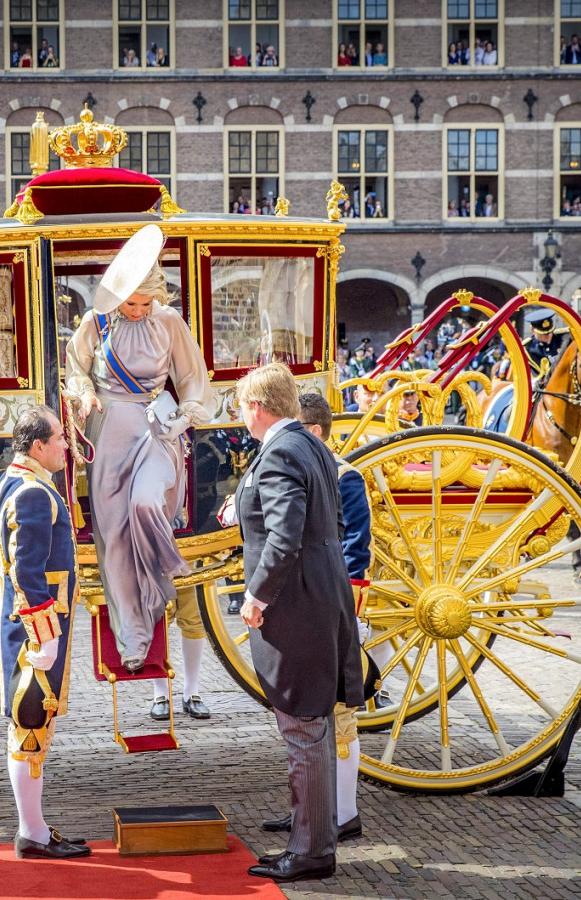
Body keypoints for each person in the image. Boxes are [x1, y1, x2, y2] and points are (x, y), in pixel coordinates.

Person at [226, 363, 362, 883]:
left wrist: (256, 596)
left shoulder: (281, 450)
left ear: (256, 408)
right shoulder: (308, 444)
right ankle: (317, 838)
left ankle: (309, 852)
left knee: (302, 728)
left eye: (241, 407)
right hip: (323, 591)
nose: (241, 416)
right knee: (316, 726)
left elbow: (284, 537)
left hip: (297, 602)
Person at [64, 224, 211, 672]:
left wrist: (189, 411)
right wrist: (84, 392)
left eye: (147, 302)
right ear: (117, 294)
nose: (140, 309)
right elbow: (75, 369)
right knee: (114, 539)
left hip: (157, 435)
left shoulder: (168, 322)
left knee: (148, 502)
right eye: (133, 302)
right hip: (109, 435)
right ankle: (134, 635)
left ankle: (163, 570)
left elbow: (191, 378)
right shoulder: (95, 322)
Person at [255, 392, 369, 842]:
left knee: (339, 717)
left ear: (315, 431)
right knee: (307, 716)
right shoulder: (315, 463)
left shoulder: (344, 475)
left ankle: (343, 812)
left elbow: (353, 554)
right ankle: (314, 810)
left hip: (335, 606)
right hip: (312, 603)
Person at [0, 406, 90, 861]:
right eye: (60, 439)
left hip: (25, 623)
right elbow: (28, 573)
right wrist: (44, 635)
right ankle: (32, 832)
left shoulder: (14, 480)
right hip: (35, 629)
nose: (67, 446)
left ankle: (38, 827)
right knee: (30, 725)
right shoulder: (31, 492)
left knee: (31, 724)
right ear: (38, 446)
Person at [524, 309, 565, 388]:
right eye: (544, 334)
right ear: (532, 330)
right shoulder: (528, 348)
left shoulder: (562, 338)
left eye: (550, 332)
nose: (549, 336)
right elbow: (537, 376)